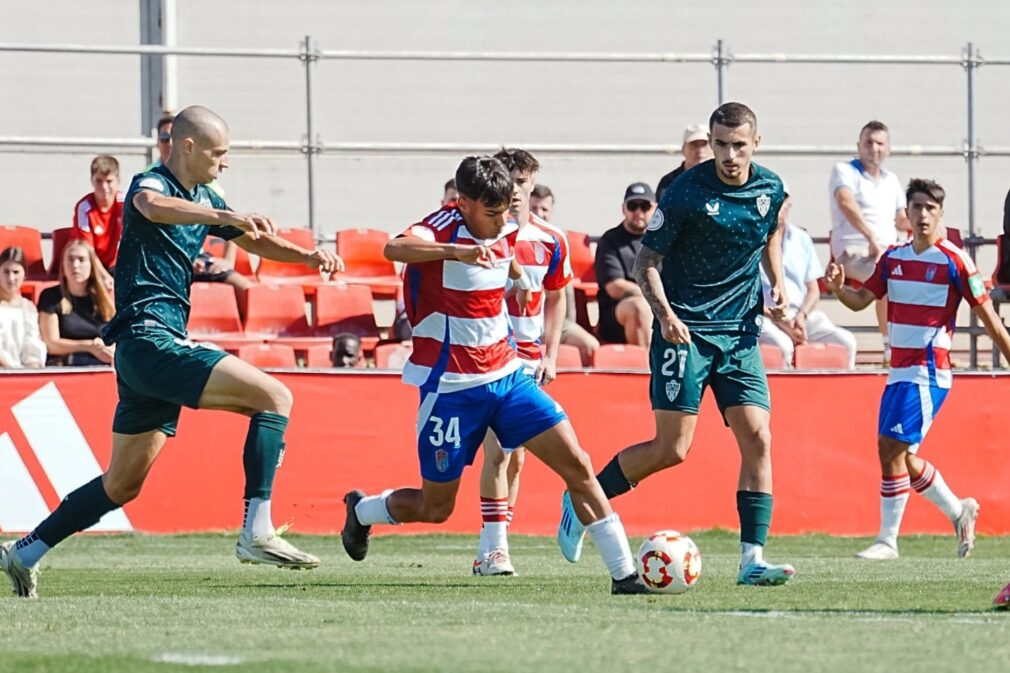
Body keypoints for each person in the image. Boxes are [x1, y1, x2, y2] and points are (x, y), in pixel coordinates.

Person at [0, 105, 343, 598]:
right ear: (188, 147)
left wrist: (308, 256)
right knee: (275, 398)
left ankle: (24, 552)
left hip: (145, 355)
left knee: (121, 485)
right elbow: (153, 208)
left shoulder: (208, 195)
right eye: (219, 153)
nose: (225, 163)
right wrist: (224, 214)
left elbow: (257, 241)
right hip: (149, 339)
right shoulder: (152, 183)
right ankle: (257, 531)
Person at [339, 155, 648, 594]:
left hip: (508, 377)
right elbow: (394, 247)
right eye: (492, 212)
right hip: (450, 389)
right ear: (462, 203)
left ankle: (625, 575)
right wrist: (457, 251)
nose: (503, 220)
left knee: (578, 464)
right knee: (435, 507)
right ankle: (363, 511)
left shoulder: (505, 223)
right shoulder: (440, 227)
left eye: (507, 210)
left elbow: (507, 249)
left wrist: (520, 277)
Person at [558, 102, 796, 587]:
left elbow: (771, 235)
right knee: (672, 450)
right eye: (720, 144)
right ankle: (581, 498)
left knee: (759, 438)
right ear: (710, 142)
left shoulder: (770, 188)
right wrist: (664, 315)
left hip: (740, 333)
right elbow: (646, 261)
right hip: (684, 330)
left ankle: (752, 561)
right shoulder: (686, 192)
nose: (729, 155)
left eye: (739, 145)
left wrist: (778, 285)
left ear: (757, 143)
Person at [824, 178, 1010, 561]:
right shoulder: (893, 258)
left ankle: (888, 541)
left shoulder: (955, 260)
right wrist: (840, 289)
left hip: (929, 372)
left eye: (930, 208)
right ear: (906, 214)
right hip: (899, 372)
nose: (923, 214)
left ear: (941, 213)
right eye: (916, 207)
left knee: (891, 447)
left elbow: (988, 317)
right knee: (898, 454)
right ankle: (960, 511)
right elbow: (861, 301)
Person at [471, 148, 573, 576]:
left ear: (532, 186)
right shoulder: (482, 236)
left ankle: (496, 544)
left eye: (521, 182)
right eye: (506, 181)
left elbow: (557, 295)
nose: (513, 191)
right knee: (497, 451)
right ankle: (493, 549)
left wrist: (551, 353)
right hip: (493, 356)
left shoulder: (551, 239)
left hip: (532, 357)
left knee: (516, 456)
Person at [829, 121, 911, 360]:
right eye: (868, 142)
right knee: (891, 281)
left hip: (886, 251)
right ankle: (891, 350)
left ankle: (915, 347)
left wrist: (934, 225)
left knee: (916, 278)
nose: (873, 148)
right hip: (854, 252)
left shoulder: (892, 180)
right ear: (859, 145)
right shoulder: (843, 171)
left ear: (888, 149)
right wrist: (871, 238)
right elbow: (846, 203)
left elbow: (901, 220)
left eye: (879, 143)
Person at [759, 187, 857, 368]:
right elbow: (746, 293)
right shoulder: (751, 239)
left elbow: (813, 289)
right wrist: (778, 318)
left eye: (782, 199)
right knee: (782, 347)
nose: (778, 205)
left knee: (846, 342)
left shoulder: (801, 238)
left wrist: (801, 316)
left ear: (789, 203)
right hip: (764, 316)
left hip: (801, 315)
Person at [532, 184, 600, 367]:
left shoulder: (557, 241)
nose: (539, 213)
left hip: (556, 322)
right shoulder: (517, 239)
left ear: (551, 211)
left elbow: (565, 290)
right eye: (534, 208)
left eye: (544, 209)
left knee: (591, 346)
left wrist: (569, 323)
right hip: (527, 321)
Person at [595, 182, 657, 347]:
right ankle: (647, 369)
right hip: (618, 313)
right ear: (623, 209)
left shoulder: (662, 240)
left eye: (644, 206)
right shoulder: (610, 241)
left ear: (655, 209)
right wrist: (655, 298)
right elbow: (614, 287)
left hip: (658, 307)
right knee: (639, 307)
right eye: (632, 206)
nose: (638, 212)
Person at [37, 240, 116, 366]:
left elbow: (116, 335)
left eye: (81, 259)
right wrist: (89, 346)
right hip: (64, 366)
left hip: (101, 364)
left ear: (91, 265)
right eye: (70, 259)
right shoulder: (50, 297)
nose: (75, 265)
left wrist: (110, 349)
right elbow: (51, 344)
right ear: (62, 264)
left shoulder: (103, 298)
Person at [71, 155, 124, 282]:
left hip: (117, 264)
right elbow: (88, 251)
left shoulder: (126, 203)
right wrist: (105, 277)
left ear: (118, 181)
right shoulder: (84, 208)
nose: (104, 187)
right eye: (99, 181)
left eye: (109, 181)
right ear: (92, 181)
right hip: (90, 264)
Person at [0, 247, 46, 369]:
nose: (11, 278)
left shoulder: (28, 308)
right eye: (6, 272)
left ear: (24, 274)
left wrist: (32, 367)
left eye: (16, 272)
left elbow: (32, 344)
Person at [656, 123, 713, 202]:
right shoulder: (670, 182)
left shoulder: (722, 180)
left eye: (704, 145)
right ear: (683, 149)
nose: (700, 151)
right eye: (694, 145)